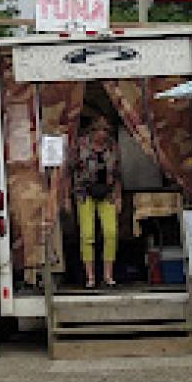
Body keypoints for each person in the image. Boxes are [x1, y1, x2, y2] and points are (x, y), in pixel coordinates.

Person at [68, 117, 122, 289]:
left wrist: (118, 196)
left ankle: (108, 275)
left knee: (111, 232)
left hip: (107, 192)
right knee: (87, 234)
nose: (103, 136)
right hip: (85, 193)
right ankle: (90, 276)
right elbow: (70, 169)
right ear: (93, 132)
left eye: (106, 132)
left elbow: (118, 173)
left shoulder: (112, 147)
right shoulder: (81, 146)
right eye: (101, 131)